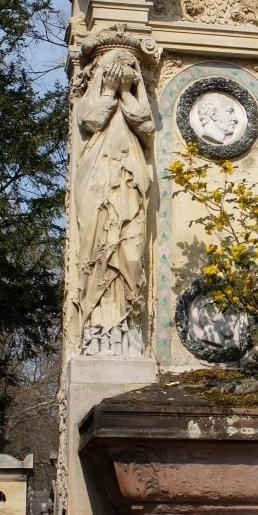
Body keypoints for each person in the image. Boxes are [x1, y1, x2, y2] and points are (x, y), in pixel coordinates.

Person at [74, 46, 155, 356]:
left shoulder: (133, 103)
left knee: (131, 253)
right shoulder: (90, 101)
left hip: (130, 183)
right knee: (99, 250)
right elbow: (92, 121)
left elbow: (146, 125)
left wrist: (127, 93)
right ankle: (99, 331)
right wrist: (108, 90)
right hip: (99, 183)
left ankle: (129, 327)